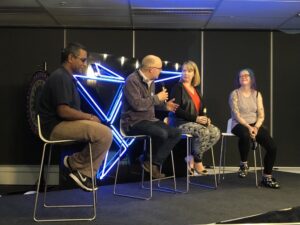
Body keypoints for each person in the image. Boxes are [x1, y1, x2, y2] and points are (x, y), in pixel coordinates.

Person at [38, 42, 113, 192]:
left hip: (61, 124)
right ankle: (79, 169)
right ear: (71, 58)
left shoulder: (67, 77)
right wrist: (90, 117)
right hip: (54, 128)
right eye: (83, 60)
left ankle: (77, 166)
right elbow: (63, 111)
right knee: (104, 133)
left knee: (104, 131)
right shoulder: (61, 77)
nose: (84, 64)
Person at [121, 55, 182, 179]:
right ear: (151, 69)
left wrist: (165, 106)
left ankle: (152, 163)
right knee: (161, 133)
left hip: (149, 120)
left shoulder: (151, 82)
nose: (161, 71)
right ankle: (148, 160)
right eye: (159, 68)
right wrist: (157, 98)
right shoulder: (131, 81)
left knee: (176, 133)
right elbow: (137, 105)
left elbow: (150, 104)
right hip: (133, 122)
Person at [229, 68, 280, 189]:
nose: (244, 77)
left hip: (255, 125)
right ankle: (243, 164)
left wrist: (256, 127)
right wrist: (248, 127)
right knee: (246, 135)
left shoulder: (257, 94)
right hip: (239, 124)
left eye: (247, 75)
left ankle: (267, 177)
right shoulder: (234, 94)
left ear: (251, 78)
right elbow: (236, 115)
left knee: (272, 147)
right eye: (241, 76)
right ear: (238, 80)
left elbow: (261, 115)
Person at [169, 60, 220, 175]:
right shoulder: (177, 88)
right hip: (179, 122)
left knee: (215, 132)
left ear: (194, 74)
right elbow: (176, 110)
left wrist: (206, 118)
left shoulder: (197, 91)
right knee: (203, 132)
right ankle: (198, 161)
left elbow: (202, 110)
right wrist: (196, 119)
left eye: (189, 71)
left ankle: (191, 157)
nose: (186, 73)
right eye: (184, 71)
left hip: (193, 122)